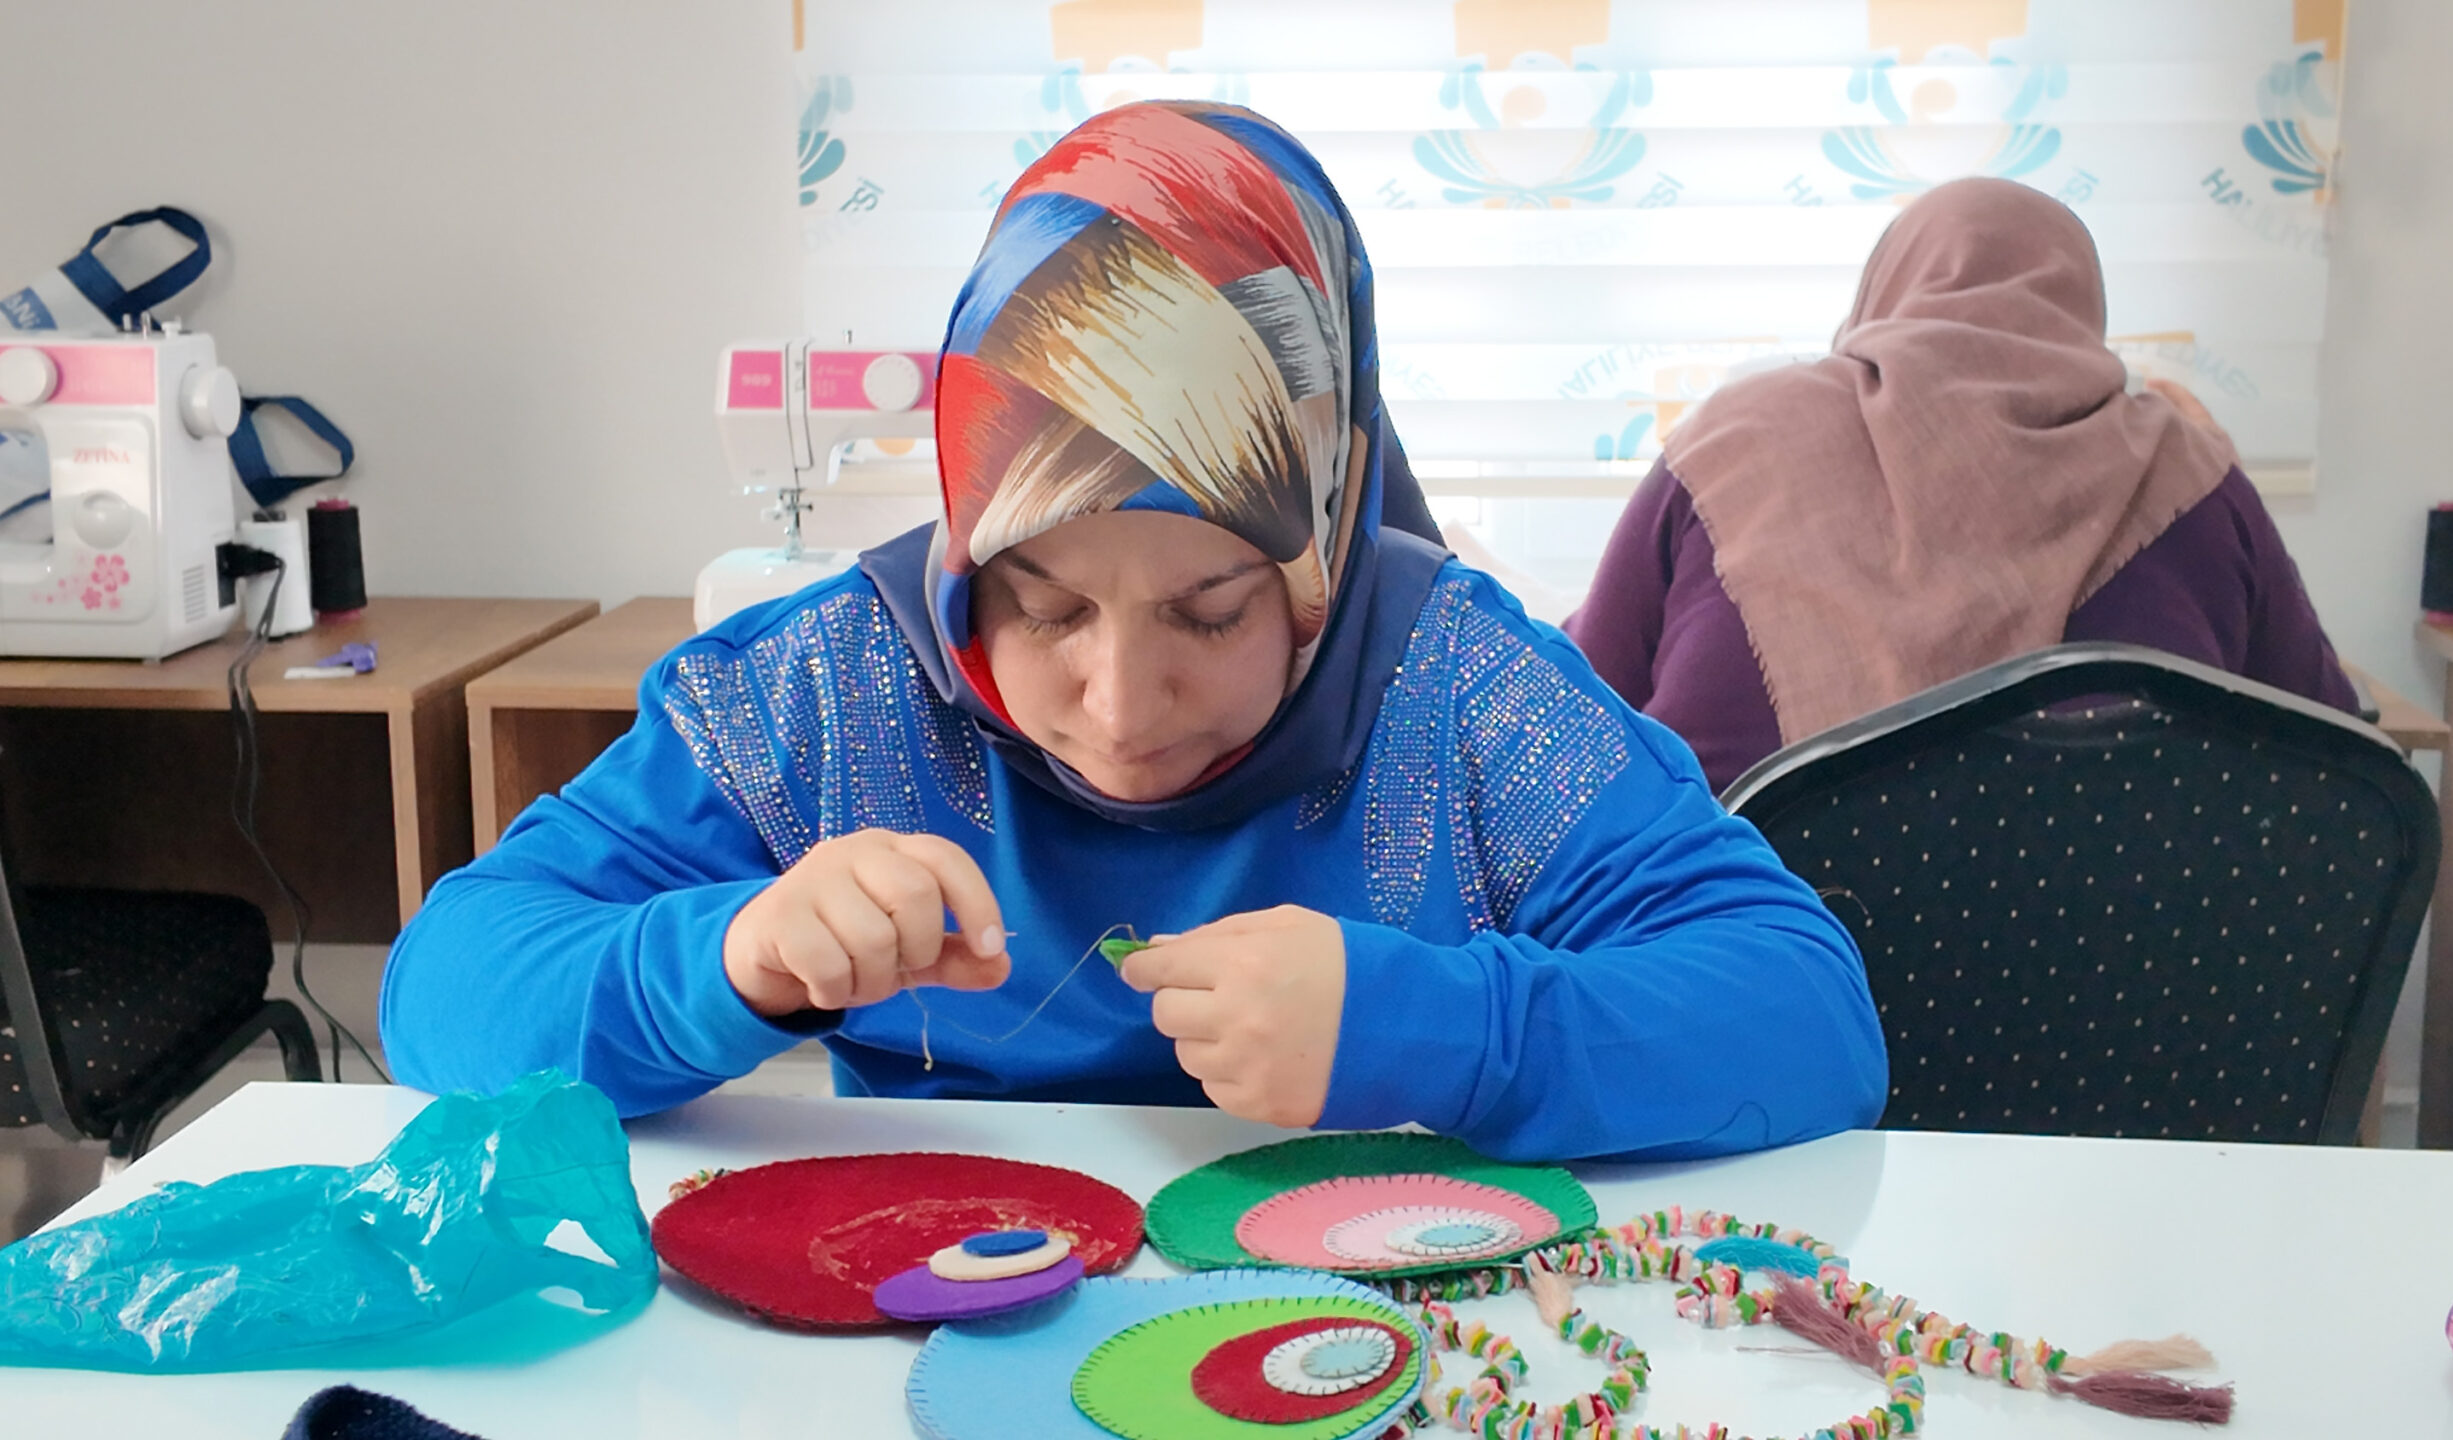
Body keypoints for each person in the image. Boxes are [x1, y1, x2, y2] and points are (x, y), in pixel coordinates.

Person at [381, 102, 1886, 1164]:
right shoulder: (834, 686)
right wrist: (736, 954)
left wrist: (1444, 1031)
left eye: (1212, 610)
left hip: (1362, 1341)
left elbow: (1809, 1021)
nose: (1118, 704)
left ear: (1323, 539)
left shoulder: (1459, 684)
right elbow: (443, 992)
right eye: (1041, 607)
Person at [1567, 177, 2358, 793]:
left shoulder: (1734, 440)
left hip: (1745, 972)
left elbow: (1570, 707)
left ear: (1887, 289)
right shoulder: (2187, 470)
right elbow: (2339, 744)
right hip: (2106, 971)